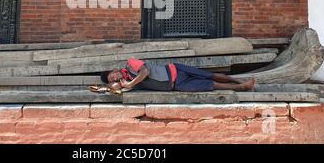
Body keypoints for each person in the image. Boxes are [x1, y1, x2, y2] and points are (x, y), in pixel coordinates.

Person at [100, 58, 255, 92]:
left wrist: (130, 83)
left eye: (112, 75)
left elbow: (145, 71)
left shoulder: (130, 63)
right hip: (176, 85)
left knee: (210, 76)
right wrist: (112, 86)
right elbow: (116, 89)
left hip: (175, 71)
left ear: (115, 69)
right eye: (111, 80)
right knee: (211, 85)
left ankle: (239, 80)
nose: (114, 78)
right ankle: (242, 87)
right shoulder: (126, 84)